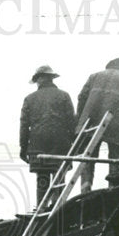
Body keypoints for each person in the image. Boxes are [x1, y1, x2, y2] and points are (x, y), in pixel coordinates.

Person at [75, 57, 119, 194]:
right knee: (116, 159)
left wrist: (80, 123)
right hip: (114, 124)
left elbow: (81, 97)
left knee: (88, 160)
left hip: (89, 125)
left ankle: (85, 193)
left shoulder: (94, 76)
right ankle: (113, 192)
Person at [19, 65, 76, 206]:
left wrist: (23, 148)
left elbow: (24, 126)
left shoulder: (29, 99)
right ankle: (58, 211)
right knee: (59, 179)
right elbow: (72, 123)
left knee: (42, 180)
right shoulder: (64, 96)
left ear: (40, 79)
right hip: (61, 145)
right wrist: (73, 144)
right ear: (51, 78)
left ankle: (41, 210)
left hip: (39, 145)